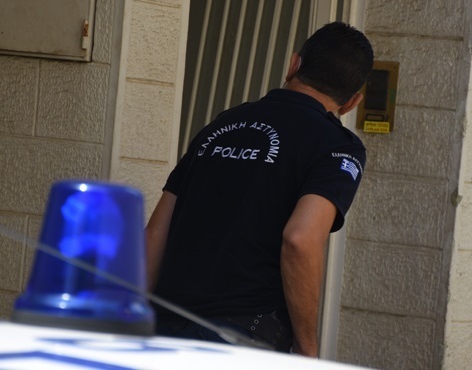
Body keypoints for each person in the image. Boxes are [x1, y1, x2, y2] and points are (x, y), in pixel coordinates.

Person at [144, 22, 373, 357]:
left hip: (162, 329)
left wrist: (125, 323)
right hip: (239, 340)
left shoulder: (224, 124)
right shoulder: (337, 146)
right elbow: (300, 239)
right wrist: (307, 350)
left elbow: (154, 234)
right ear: (352, 101)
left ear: (293, 64)